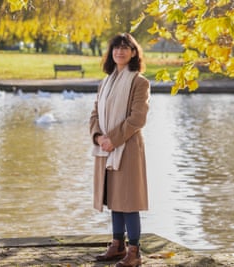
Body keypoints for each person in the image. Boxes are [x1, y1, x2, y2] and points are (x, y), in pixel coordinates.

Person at [89, 33, 150, 267]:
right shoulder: (105, 83)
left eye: (125, 48)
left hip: (128, 148)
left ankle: (134, 251)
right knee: (114, 199)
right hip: (106, 147)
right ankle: (117, 245)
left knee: (129, 200)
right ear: (111, 53)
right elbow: (94, 114)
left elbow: (137, 119)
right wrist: (98, 137)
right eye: (116, 48)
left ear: (134, 53)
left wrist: (113, 139)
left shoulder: (140, 82)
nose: (120, 52)